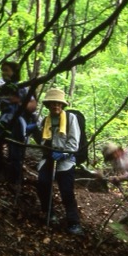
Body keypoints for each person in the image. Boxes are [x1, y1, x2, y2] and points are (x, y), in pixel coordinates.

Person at [36, 88, 83, 235]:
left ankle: (74, 223)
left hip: (66, 160)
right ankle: (49, 213)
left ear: (62, 105)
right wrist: (35, 133)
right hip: (49, 158)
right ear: (48, 105)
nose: (56, 106)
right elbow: (42, 141)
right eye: (53, 103)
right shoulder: (45, 120)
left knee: (66, 191)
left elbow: (74, 142)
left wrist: (64, 153)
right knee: (42, 184)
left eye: (58, 103)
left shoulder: (70, 118)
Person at [0, 62, 40, 183]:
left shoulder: (22, 88)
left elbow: (33, 106)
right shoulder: (3, 89)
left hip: (18, 122)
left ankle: (15, 179)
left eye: (6, 70)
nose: (4, 73)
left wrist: (19, 102)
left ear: (14, 72)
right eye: (2, 70)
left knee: (15, 149)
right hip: (4, 120)